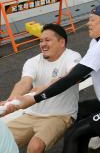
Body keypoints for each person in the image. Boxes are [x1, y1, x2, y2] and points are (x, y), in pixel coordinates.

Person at [11, 5, 100, 153]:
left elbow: (73, 78)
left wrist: (36, 98)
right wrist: (47, 85)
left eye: (92, 20)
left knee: (74, 134)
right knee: (78, 113)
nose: (88, 23)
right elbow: (79, 72)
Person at [2, 24, 81, 153]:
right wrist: (12, 101)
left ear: (61, 42)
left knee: (35, 146)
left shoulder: (72, 57)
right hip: (31, 114)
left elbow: (74, 76)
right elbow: (24, 82)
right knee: (2, 139)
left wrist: (44, 88)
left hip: (60, 115)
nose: (42, 44)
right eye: (41, 40)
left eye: (47, 40)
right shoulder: (33, 61)